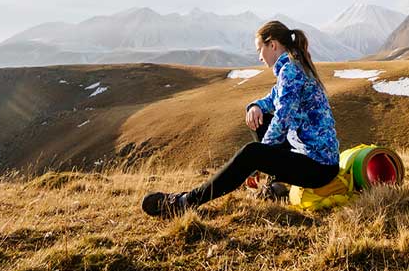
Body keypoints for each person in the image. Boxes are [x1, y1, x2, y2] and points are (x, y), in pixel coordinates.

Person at [141, 20, 340, 217]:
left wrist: (261, 159)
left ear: (273, 45)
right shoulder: (292, 67)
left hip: (318, 168)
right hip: (312, 158)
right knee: (259, 120)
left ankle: (185, 201)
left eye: (259, 49)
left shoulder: (291, 71)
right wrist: (254, 107)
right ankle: (276, 185)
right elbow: (272, 99)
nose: (259, 57)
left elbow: (282, 119)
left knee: (252, 153)